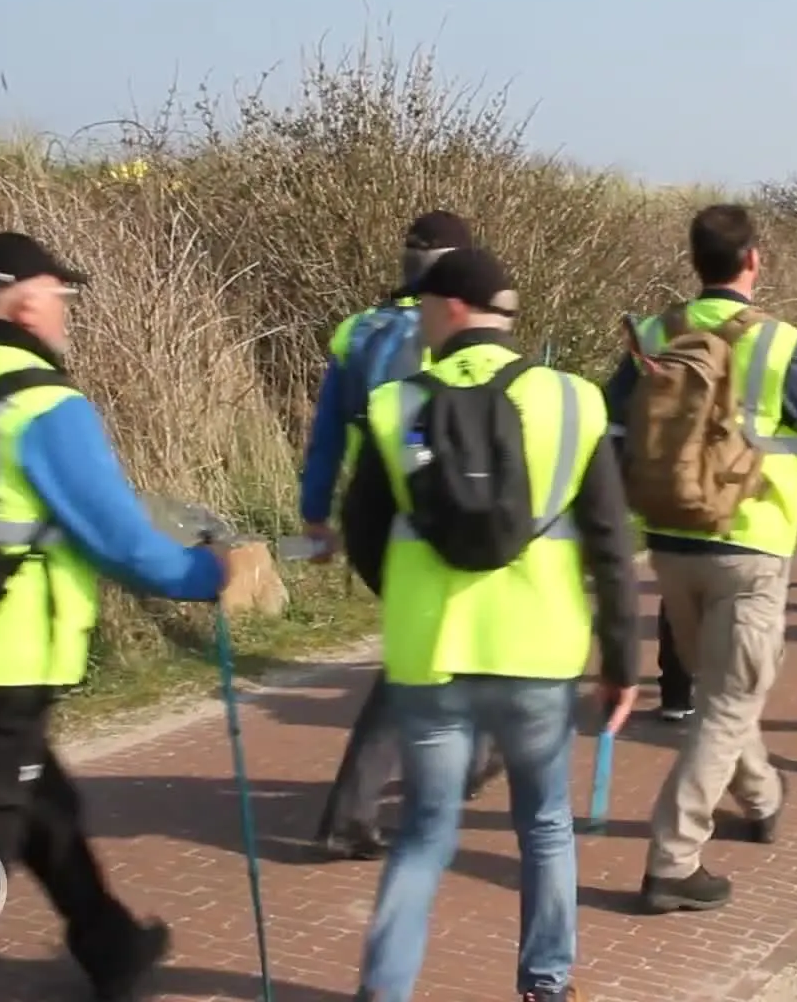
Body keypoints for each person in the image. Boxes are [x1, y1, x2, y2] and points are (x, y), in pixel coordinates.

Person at [0, 232, 235, 1002]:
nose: (66, 313)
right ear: (27, 302)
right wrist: (205, 575)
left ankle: (111, 944)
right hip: (6, 659)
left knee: (42, 801)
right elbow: (120, 541)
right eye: (62, 296)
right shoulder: (40, 399)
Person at [340, 247, 641, 1002]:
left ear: (447, 309)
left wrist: (405, 596)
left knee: (422, 832)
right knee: (543, 825)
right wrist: (622, 658)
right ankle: (547, 984)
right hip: (540, 649)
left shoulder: (392, 405)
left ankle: (385, 991)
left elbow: (364, 533)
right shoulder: (575, 401)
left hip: (431, 653)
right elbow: (609, 541)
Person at [606, 204, 797, 913]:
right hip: (752, 541)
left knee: (722, 693)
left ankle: (762, 797)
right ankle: (673, 860)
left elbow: (612, 434)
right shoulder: (778, 343)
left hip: (669, 540)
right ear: (754, 261)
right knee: (729, 701)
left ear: (694, 261)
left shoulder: (650, 334)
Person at [302, 211, 503, 862]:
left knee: (429, 650)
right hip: (436, 511)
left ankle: (458, 765)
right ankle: (357, 811)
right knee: (438, 656)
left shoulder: (358, 332)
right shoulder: (451, 333)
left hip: (373, 516)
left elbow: (328, 432)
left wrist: (315, 511)